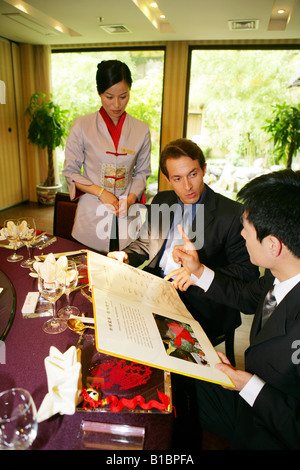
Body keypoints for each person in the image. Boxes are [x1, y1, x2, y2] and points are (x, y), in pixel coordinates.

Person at [167, 169, 300, 450]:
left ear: (273, 245)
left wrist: (248, 384)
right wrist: (198, 270)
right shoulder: (279, 274)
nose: (241, 234)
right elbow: (248, 297)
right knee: (173, 376)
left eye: (246, 229)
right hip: (249, 399)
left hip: (272, 432)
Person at [108, 138, 259, 342]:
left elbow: (247, 272)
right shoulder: (162, 200)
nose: (188, 186)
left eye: (193, 174)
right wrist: (125, 255)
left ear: (204, 169)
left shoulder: (232, 214)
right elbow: (145, 244)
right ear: (168, 179)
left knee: (148, 340)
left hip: (203, 303)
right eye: (177, 178)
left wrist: (198, 273)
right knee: (113, 318)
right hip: (157, 287)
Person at [63, 59, 151, 252]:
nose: (117, 104)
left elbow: (143, 172)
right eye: (109, 96)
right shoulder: (82, 126)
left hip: (126, 213)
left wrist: (130, 199)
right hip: (92, 211)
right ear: (99, 92)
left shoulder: (141, 129)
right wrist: (100, 192)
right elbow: (70, 172)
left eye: (124, 96)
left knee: (123, 269)